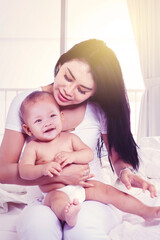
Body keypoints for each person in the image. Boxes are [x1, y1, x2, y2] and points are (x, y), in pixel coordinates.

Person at [0, 39, 157, 240]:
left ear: (95, 92)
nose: (68, 90)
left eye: (82, 90)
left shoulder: (98, 110)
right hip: (43, 199)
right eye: (67, 76)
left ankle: (147, 212)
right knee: (37, 229)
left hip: (92, 196)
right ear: (60, 64)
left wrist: (126, 170)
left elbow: (116, 159)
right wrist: (60, 176)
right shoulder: (26, 104)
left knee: (82, 231)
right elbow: (4, 171)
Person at [19, 90, 160, 227]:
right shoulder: (33, 147)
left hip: (83, 186)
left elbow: (88, 154)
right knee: (57, 200)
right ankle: (68, 215)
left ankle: (146, 211)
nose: (47, 122)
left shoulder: (70, 138)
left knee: (109, 192)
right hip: (54, 191)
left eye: (52, 116)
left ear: (61, 116)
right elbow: (24, 171)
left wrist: (72, 156)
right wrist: (42, 168)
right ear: (28, 130)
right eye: (38, 120)